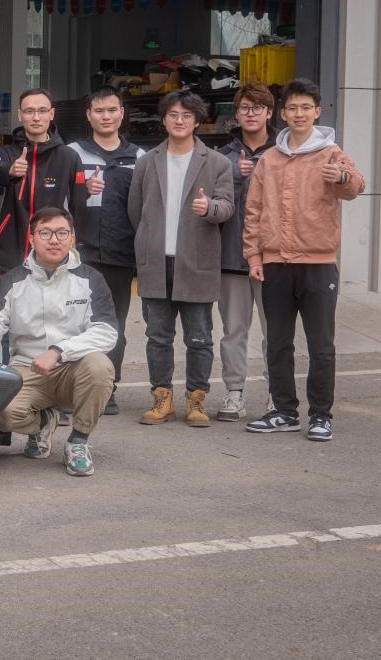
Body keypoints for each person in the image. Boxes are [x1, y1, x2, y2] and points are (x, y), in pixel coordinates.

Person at [243, 79, 365, 441]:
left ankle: (321, 415)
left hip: (318, 264)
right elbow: (253, 211)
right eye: (293, 108)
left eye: (306, 108)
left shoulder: (331, 153)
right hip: (275, 264)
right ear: (283, 114)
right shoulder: (269, 159)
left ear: (317, 112)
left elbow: (356, 187)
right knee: (277, 343)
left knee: (321, 345)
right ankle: (284, 411)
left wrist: (342, 176)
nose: (299, 114)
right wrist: (254, 255)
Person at [0, 208, 117, 477]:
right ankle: (44, 422)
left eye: (62, 233)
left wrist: (59, 351)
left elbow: (106, 331)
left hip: (74, 368)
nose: (54, 240)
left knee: (100, 366)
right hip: (27, 368)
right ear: (32, 239)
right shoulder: (13, 280)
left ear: (72, 238)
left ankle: (78, 441)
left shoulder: (90, 279)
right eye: (45, 233)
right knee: (0, 413)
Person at [128, 90, 234, 427]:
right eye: (173, 114)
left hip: (196, 261)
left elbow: (227, 206)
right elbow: (135, 210)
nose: (179, 120)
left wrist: (209, 208)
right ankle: (161, 399)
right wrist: (149, 240)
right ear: (163, 119)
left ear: (197, 121)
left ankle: (196, 400)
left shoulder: (217, 162)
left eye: (187, 115)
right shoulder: (147, 162)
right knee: (158, 336)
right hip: (156, 262)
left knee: (199, 337)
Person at [66, 87, 145, 415]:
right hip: (78, 255)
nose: (106, 116)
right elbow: (60, 201)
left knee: (112, 326)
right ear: (89, 115)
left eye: (112, 110)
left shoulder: (139, 158)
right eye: (99, 111)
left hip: (119, 255)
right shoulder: (72, 154)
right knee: (73, 323)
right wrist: (83, 190)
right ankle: (69, 389)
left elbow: (145, 208)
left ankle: (106, 389)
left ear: (122, 113)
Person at [214, 83, 276, 422]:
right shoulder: (221, 157)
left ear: (269, 112)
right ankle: (234, 393)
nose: (250, 113)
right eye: (244, 108)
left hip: (272, 258)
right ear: (236, 114)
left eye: (257, 107)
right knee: (233, 331)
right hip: (230, 257)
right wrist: (237, 179)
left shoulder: (282, 153)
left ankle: (277, 395)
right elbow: (213, 205)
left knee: (275, 332)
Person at [0, 88, 86, 276]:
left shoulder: (68, 157)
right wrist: (10, 171)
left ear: (51, 114)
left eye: (42, 111)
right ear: (20, 115)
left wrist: (72, 241)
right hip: (12, 248)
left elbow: (78, 205)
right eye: (29, 111)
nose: (36, 117)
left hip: (52, 248)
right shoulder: (7, 153)